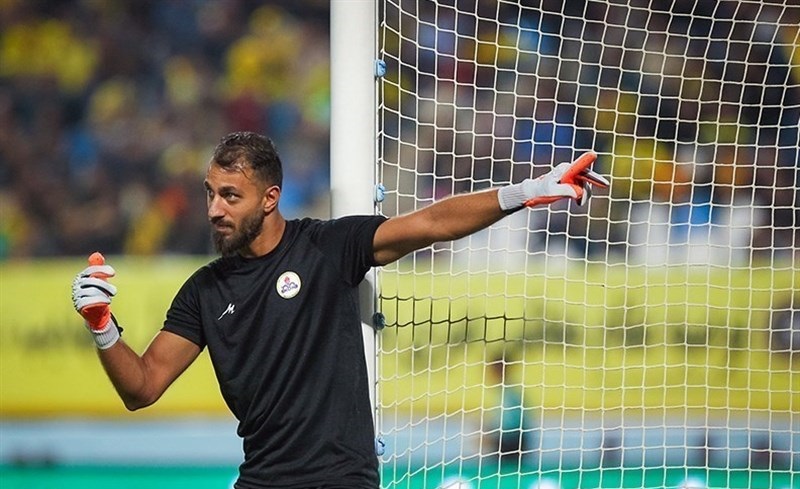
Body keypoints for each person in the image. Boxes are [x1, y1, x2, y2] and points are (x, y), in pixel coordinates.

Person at [71, 131, 607, 488]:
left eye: (230, 196)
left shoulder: (326, 247)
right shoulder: (204, 291)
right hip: (261, 478)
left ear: (269, 198)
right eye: (210, 193)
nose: (214, 209)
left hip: (340, 479)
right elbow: (142, 387)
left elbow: (430, 224)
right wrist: (102, 326)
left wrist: (528, 191)